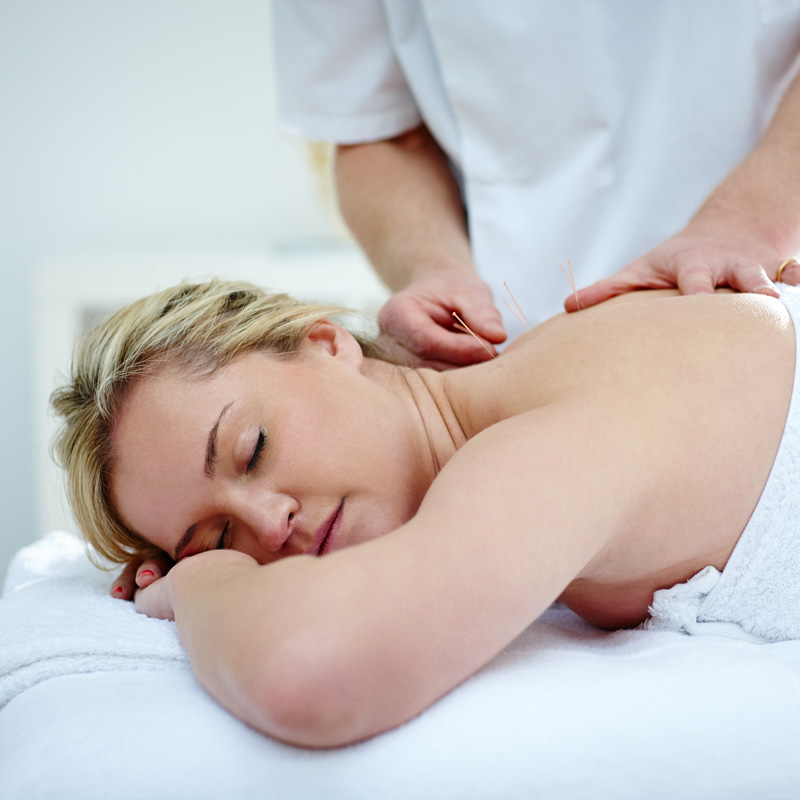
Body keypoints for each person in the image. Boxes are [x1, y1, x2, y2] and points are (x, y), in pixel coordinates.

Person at [51, 277, 800, 749]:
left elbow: (310, 676)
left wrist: (202, 578)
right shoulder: (534, 381)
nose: (269, 524)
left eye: (252, 449)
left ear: (326, 344)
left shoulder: (537, 445)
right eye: (221, 535)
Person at [272, 1, 800, 368]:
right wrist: (433, 268)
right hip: (507, 333)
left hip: (766, 271)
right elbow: (372, 130)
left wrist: (747, 221)